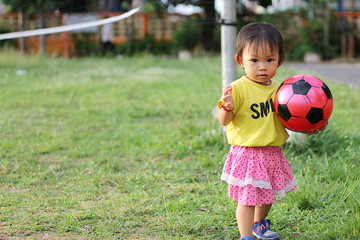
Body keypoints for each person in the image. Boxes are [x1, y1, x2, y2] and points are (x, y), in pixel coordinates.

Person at [217, 22, 326, 240]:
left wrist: (310, 128)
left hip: (272, 153)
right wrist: (226, 108)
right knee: (247, 198)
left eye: (269, 59)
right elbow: (224, 121)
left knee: (268, 195)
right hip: (247, 153)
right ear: (240, 61)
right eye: (254, 60)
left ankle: (259, 225)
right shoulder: (237, 88)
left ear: (280, 60)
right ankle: (245, 235)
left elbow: (290, 119)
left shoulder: (283, 91)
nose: (262, 67)